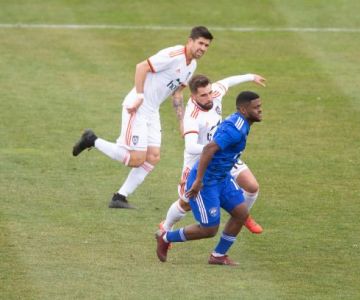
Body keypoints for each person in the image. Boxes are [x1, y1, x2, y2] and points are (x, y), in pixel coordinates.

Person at [72, 26, 213, 208]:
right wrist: (139, 96)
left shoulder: (192, 65)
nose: (202, 48)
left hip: (152, 110)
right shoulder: (173, 55)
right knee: (136, 159)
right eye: (200, 43)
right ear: (190, 41)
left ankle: (119, 197)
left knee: (153, 156)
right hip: (137, 106)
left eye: (206, 45)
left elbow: (177, 93)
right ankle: (92, 140)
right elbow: (142, 67)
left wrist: (182, 123)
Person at [155, 90, 263, 265]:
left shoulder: (242, 123)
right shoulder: (234, 129)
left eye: (260, 106)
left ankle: (218, 256)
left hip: (223, 178)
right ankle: (166, 237)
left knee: (241, 214)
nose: (260, 110)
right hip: (207, 182)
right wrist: (198, 181)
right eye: (256, 107)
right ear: (243, 110)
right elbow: (208, 149)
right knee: (209, 229)